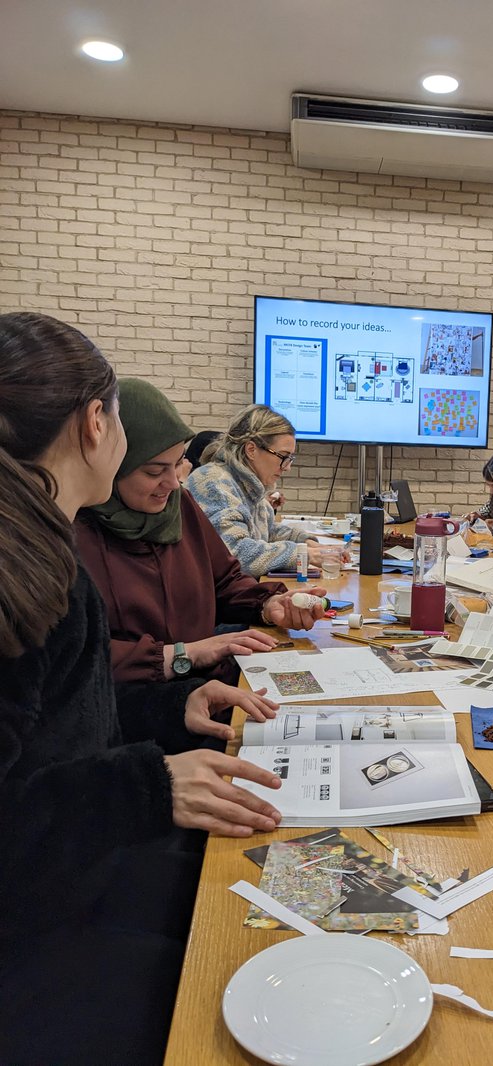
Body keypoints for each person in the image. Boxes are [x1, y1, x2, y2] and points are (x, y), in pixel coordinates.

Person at [0, 312, 286, 1065]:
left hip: (69, 879)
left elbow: (59, 729)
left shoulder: (38, 542)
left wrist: (169, 708)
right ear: (97, 423)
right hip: (42, 928)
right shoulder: (25, 570)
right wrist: (145, 786)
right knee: (244, 958)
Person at [75, 380, 327, 686]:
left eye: (178, 463)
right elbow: (78, 658)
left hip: (198, 687)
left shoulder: (179, 506)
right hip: (134, 709)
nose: (172, 483)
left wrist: (267, 605)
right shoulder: (76, 534)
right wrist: (184, 655)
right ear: (113, 464)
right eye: (154, 472)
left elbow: (225, 580)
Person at [185, 404, 325, 575]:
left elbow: (267, 531)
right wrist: (301, 554)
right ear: (251, 449)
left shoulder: (247, 483)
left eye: (290, 458)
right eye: (283, 456)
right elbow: (235, 554)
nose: (287, 467)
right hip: (217, 599)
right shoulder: (214, 482)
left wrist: (305, 542)